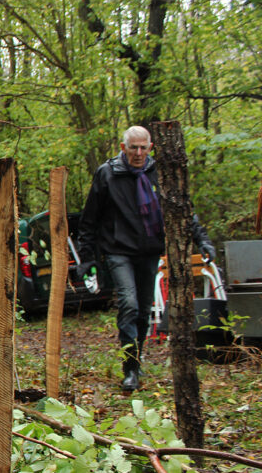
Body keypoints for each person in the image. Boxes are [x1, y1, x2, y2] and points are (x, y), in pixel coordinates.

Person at [77, 125, 216, 392]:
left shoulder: (159, 173)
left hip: (150, 249)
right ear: (123, 148)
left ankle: (136, 359)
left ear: (150, 148)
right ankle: (129, 369)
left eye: (143, 148)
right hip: (118, 250)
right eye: (133, 148)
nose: (138, 153)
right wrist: (87, 259)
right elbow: (89, 220)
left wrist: (203, 240)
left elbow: (183, 209)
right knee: (128, 303)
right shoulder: (107, 174)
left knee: (142, 309)